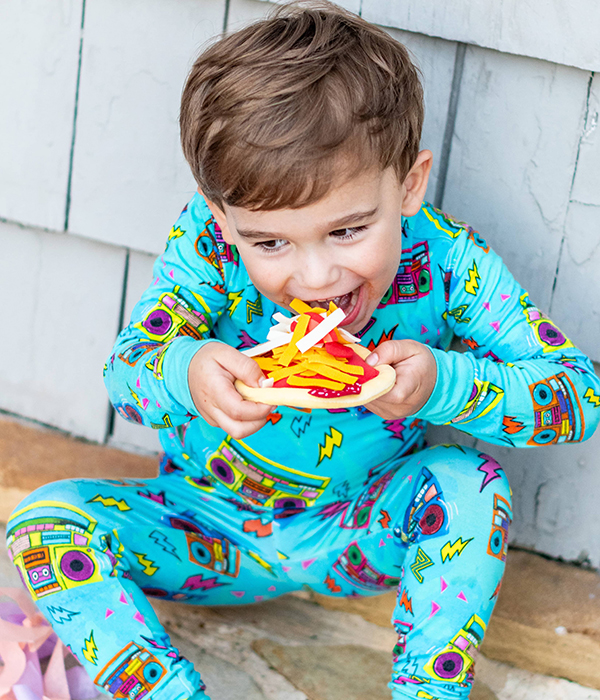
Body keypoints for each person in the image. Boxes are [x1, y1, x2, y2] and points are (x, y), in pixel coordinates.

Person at [6, 2, 600, 699]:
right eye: (270, 242)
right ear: (223, 217)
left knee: (472, 482)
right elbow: (127, 375)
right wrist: (186, 373)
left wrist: (447, 384)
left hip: (362, 529)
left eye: (348, 230)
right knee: (44, 524)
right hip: (207, 526)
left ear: (408, 184)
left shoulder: (448, 262)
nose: (315, 279)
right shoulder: (208, 244)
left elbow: (579, 397)